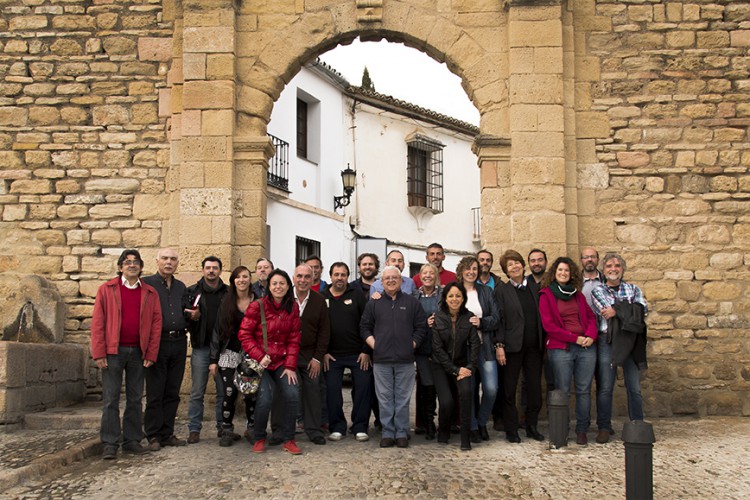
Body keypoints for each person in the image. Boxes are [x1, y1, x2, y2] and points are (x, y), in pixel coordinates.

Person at [91, 249, 161, 459]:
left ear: (140, 267)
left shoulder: (149, 292)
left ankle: (131, 440)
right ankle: (110, 443)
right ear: (120, 267)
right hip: (113, 351)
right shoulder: (107, 290)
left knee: (135, 398)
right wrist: (99, 352)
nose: (132, 265)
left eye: (136, 262)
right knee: (111, 399)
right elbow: (98, 323)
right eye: (127, 262)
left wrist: (151, 352)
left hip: (138, 352)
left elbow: (156, 323)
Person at [360, 266, 427, 448]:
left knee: (403, 398)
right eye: (387, 278)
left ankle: (402, 432)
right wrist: (374, 344)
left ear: (401, 281)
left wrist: (412, 344)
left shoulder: (412, 303)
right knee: (385, 397)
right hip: (381, 360)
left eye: (394, 277)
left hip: (405, 360)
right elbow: (364, 326)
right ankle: (388, 432)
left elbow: (421, 327)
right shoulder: (374, 303)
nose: (390, 280)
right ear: (381, 282)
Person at [239, 269, 303, 455]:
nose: (278, 287)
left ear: (287, 286)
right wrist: (260, 355)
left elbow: (293, 338)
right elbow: (244, 334)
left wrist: (290, 366)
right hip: (261, 363)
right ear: (269, 286)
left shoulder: (293, 307)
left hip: (282, 361)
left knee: (292, 394)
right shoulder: (257, 306)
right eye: (274, 283)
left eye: (282, 283)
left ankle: (289, 439)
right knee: (265, 398)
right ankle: (259, 437)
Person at [538, 257, 598, 446]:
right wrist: (575, 338)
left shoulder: (577, 295)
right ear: (554, 273)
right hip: (561, 349)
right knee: (562, 391)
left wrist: (590, 336)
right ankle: (561, 429)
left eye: (567, 271)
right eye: (560, 270)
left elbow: (590, 318)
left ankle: (581, 430)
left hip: (586, 348)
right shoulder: (546, 295)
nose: (563, 273)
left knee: (583, 391)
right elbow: (549, 326)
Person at [591, 253, 648, 444]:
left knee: (634, 387)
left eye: (617, 266)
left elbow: (642, 311)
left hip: (632, 341)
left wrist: (618, 310)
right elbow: (605, 311)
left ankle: (637, 424)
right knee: (606, 387)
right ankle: (604, 427)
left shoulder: (634, 288)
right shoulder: (598, 290)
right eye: (609, 266)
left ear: (622, 269)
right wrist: (627, 309)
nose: (613, 269)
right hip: (608, 341)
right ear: (603, 270)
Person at [270, 264, 330, 445]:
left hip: (310, 355)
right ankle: (279, 431)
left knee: (313, 389)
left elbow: (324, 332)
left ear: (312, 279)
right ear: (293, 279)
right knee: (283, 391)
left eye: (307, 277)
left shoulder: (319, 301)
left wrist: (317, 358)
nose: (303, 280)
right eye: (299, 277)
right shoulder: (284, 299)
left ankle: (313, 429)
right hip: (286, 354)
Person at [494, 250, 545, 443]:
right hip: (511, 348)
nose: (515, 267)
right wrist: (499, 345)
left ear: (523, 265)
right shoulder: (502, 290)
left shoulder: (535, 287)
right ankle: (511, 429)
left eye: (517, 263)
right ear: (506, 271)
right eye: (510, 265)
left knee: (534, 389)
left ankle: (532, 425)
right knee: (509, 390)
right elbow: (499, 319)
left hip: (534, 347)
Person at [143, 248, 189, 451]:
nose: (168, 262)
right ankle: (152, 435)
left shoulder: (180, 287)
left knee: (172, 391)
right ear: (157, 261)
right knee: (155, 391)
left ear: (177, 263)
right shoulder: (147, 284)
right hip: (157, 343)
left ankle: (167, 433)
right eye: (165, 258)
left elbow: (185, 312)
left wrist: (192, 316)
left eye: (173, 259)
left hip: (178, 342)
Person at [321, 262, 371, 442]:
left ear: (347, 277)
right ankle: (337, 426)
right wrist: (323, 352)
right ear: (331, 276)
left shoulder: (356, 295)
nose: (340, 278)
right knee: (333, 392)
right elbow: (319, 327)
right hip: (332, 355)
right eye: (336, 274)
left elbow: (367, 323)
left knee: (363, 390)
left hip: (358, 354)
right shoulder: (322, 296)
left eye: (343, 275)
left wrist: (366, 350)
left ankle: (360, 426)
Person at [208, 266, 256, 447]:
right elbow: (217, 331)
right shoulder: (226, 301)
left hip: (251, 354)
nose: (242, 280)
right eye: (238, 277)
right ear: (233, 280)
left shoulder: (257, 301)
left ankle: (251, 428)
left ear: (250, 279)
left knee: (250, 393)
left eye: (245, 276)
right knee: (229, 391)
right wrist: (213, 360)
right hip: (229, 353)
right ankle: (226, 429)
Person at [455, 255, 501, 443]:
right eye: (468, 268)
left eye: (474, 268)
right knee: (469, 390)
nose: (472, 272)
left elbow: (496, 318)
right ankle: (473, 427)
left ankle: (482, 421)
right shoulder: (455, 291)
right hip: (463, 350)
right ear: (461, 271)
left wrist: (481, 322)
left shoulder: (486, 292)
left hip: (485, 347)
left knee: (491, 388)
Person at [431, 282, 480, 451]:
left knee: (466, 393)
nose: (454, 299)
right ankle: (443, 432)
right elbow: (437, 349)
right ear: (445, 298)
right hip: (441, 366)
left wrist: (470, 367)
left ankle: (465, 439)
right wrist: (454, 369)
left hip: (462, 365)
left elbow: (475, 345)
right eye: (451, 296)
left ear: (463, 298)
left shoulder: (469, 317)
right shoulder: (437, 318)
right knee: (446, 402)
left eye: (458, 296)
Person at [185, 256, 228, 444]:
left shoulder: (228, 293)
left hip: (223, 349)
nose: (211, 271)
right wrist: (193, 318)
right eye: (208, 268)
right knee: (196, 391)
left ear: (220, 270)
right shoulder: (192, 292)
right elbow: (183, 317)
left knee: (223, 391)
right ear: (203, 270)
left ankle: (222, 427)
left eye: (215, 268)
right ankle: (194, 428)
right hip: (201, 347)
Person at [412, 263, 441, 440]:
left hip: (441, 347)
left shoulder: (444, 294)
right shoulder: (413, 296)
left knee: (441, 385)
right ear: (420, 276)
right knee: (427, 384)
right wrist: (425, 323)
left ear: (436, 276)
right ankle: (429, 423)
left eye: (431, 273)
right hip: (422, 347)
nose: (428, 276)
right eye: (425, 273)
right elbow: (409, 319)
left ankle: (444, 422)